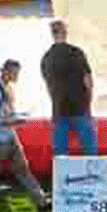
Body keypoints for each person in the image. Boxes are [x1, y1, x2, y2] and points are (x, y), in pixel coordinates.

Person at [0, 60, 51, 212]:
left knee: (23, 170)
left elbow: (7, 112)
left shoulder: (8, 88)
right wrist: (13, 121)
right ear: (7, 72)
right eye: (16, 73)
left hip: (10, 137)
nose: (17, 76)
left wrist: (20, 115)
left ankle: (42, 202)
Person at [40, 21, 96, 157]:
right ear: (65, 32)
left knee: (60, 153)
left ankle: (62, 177)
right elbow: (89, 82)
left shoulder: (46, 58)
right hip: (80, 106)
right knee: (89, 148)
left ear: (52, 34)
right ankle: (93, 176)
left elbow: (48, 87)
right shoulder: (77, 52)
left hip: (59, 108)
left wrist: (55, 103)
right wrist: (89, 106)